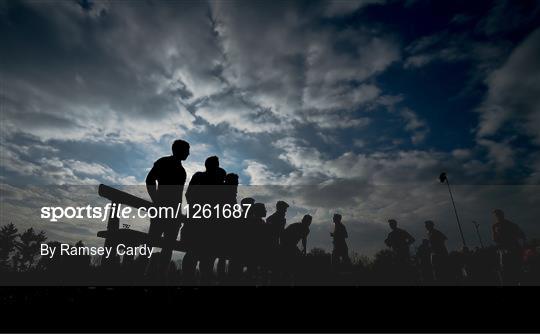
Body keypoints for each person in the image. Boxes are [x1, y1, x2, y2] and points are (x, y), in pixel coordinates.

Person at [145, 139, 189, 275]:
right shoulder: (163, 162)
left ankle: (159, 278)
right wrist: (156, 200)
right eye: (187, 151)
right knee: (151, 243)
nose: (188, 154)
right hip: (161, 211)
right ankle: (140, 275)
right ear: (179, 150)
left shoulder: (182, 171)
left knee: (167, 246)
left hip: (174, 213)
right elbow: (149, 180)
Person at [492, 209, 526, 285]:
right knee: (505, 272)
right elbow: (494, 239)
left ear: (502, 215)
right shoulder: (494, 226)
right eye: (495, 216)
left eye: (498, 215)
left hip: (513, 250)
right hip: (503, 252)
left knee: (517, 271)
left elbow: (522, 235)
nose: (497, 217)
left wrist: (522, 247)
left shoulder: (511, 224)